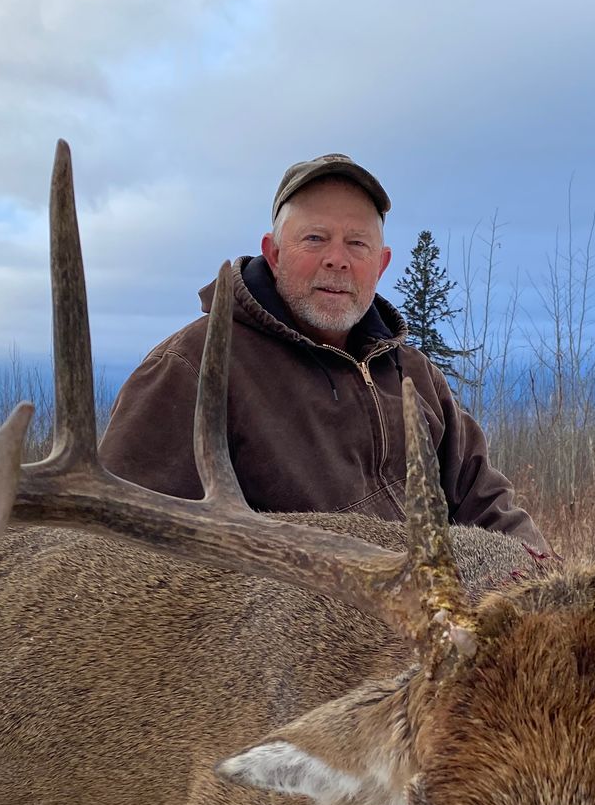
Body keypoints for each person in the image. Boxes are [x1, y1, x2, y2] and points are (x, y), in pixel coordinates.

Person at [101, 154, 550, 554]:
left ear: (381, 263)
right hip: (287, 639)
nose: (337, 260)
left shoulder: (414, 374)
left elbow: (485, 503)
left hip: (433, 625)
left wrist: (542, 576)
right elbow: (118, 546)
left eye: (357, 244)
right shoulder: (195, 367)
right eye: (315, 239)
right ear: (273, 254)